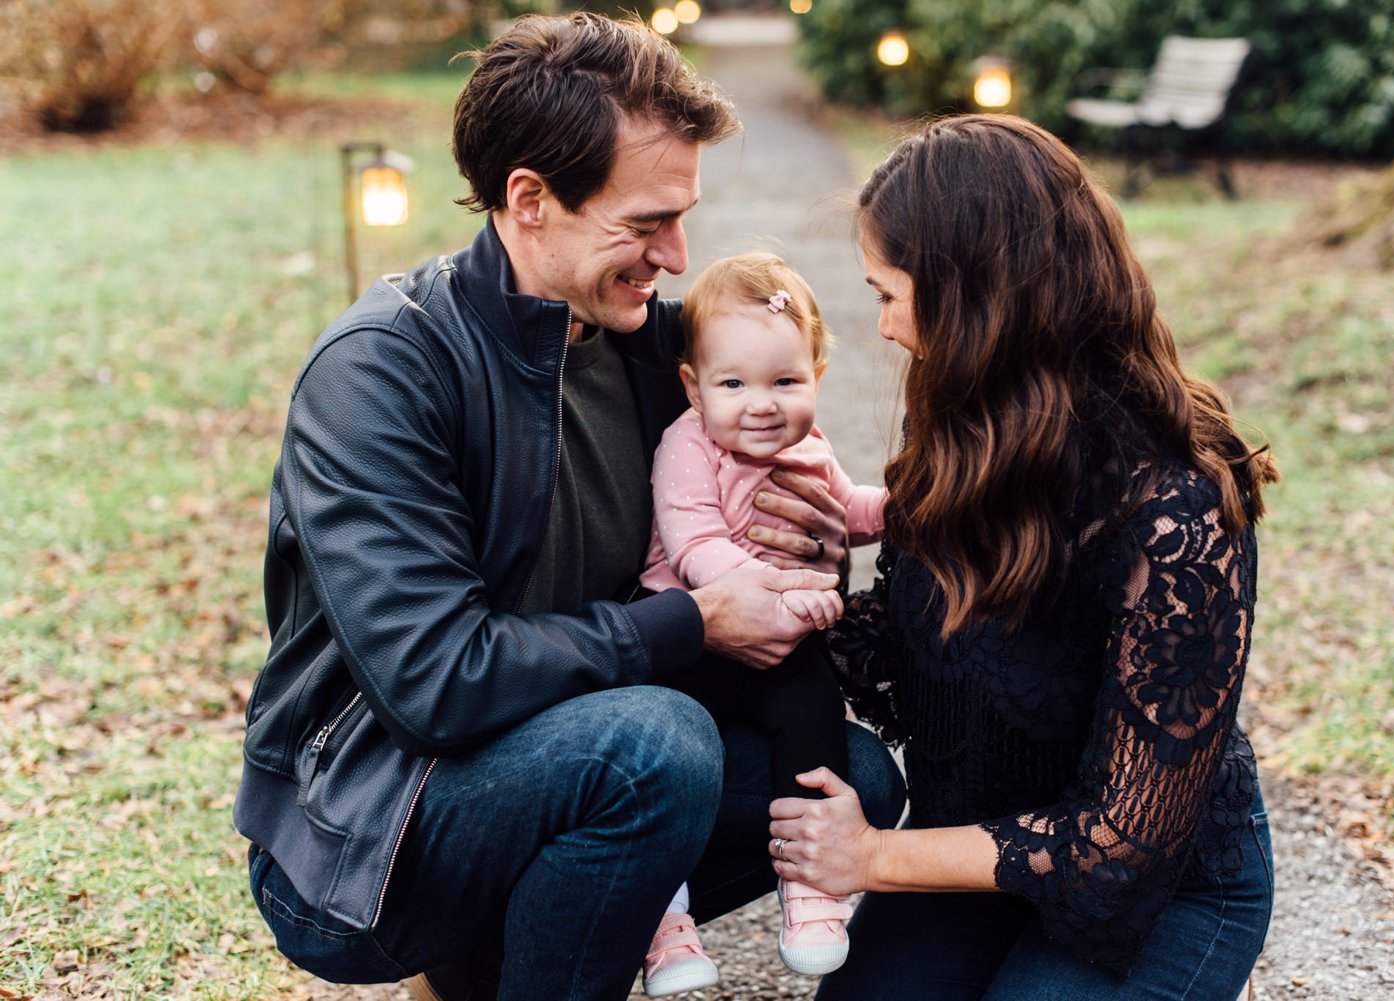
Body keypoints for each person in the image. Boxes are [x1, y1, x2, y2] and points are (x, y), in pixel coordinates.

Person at [231, 14, 904, 1001]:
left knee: (846, 780)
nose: (677, 256)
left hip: (570, 758)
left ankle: (500, 957)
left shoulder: (654, 347)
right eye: (644, 223)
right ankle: (479, 952)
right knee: (657, 745)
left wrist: (804, 539)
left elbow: (782, 506)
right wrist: (694, 618)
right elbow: (434, 679)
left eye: (684, 217)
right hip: (371, 829)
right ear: (530, 199)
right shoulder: (382, 371)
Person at [765, 114, 1279, 1000]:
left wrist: (875, 854)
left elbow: (1123, 839)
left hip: (1154, 888)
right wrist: (793, 589)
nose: (883, 327)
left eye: (889, 293)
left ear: (977, 303)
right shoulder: (966, 430)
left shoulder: (1178, 504)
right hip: (974, 852)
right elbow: (909, 645)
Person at [635, 254, 886, 994]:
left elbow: (850, 511)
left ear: (817, 375)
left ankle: (809, 884)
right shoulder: (687, 445)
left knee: (813, 716)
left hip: (781, 641)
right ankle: (660, 916)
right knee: (677, 762)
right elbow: (696, 544)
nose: (762, 405)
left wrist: (903, 506)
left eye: (786, 382)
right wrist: (771, 589)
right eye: (734, 383)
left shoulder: (811, 447)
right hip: (695, 640)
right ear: (694, 387)